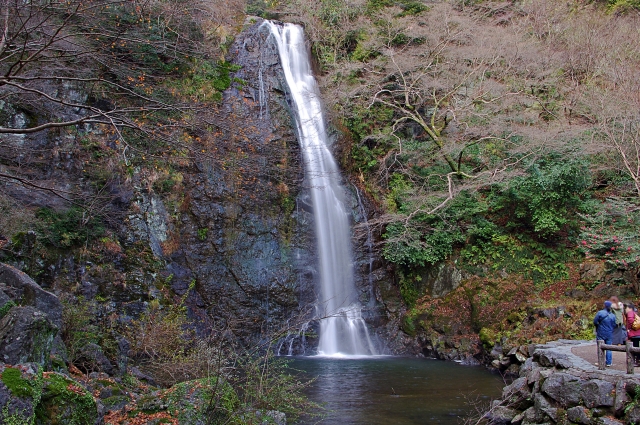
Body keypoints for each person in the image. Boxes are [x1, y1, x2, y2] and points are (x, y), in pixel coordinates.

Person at [593, 300, 616, 366]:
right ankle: (609, 362)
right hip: (609, 333)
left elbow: (595, 322)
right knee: (609, 348)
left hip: (601, 332)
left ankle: (601, 361)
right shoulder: (613, 315)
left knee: (600, 347)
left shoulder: (600, 313)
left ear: (604, 305)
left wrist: (598, 325)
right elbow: (614, 325)